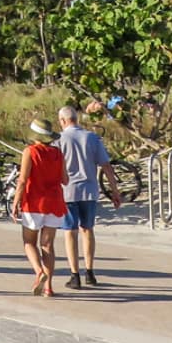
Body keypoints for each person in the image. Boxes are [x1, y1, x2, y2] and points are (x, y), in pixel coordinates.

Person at [57, 105, 121, 288]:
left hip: (68, 190)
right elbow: (106, 165)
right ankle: (90, 271)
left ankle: (74, 274)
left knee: (70, 231)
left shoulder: (59, 139)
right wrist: (114, 190)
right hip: (89, 190)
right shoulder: (91, 137)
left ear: (63, 120)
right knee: (87, 229)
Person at [11, 119, 68, 297]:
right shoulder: (58, 153)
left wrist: (16, 201)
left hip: (34, 201)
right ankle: (48, 287)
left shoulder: (30, 151)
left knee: (29, 242)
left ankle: (39, 271)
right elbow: (65, 180)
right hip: (55, 202)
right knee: (48, 245)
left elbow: (22, 180)